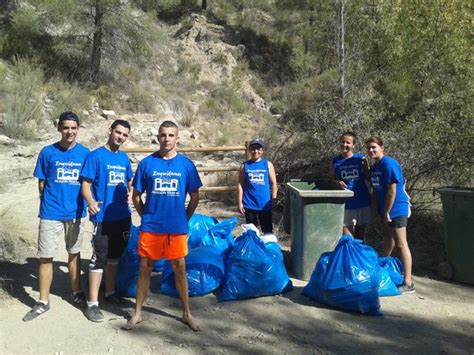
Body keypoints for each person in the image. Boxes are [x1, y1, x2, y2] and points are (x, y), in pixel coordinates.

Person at [125, 120, 202, 332]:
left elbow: (195, 196)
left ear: (177, 138)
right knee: (145, 269)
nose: (166, 139)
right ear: (158, 137)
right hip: (151, 226)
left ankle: (187, 313)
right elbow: (136, 195)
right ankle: (137, 313)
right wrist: (146, 215)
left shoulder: (186, 165)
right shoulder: (147, 164)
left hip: (176, 227)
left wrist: (184, 218)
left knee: (179, 269)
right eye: (163, 135)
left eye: (170, 135)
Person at [23, 111, 90, 322]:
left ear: (78, 129)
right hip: (51, 212)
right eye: (66, 127)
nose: (70, 132)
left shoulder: (85, 154)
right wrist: (48, 202)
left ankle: (77, 293)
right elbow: (41, 182)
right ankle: (43, 301)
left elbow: (89, 183)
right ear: (59, 128)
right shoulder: (47, 152)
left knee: (74, 252)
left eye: (73, 128)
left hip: (76, 212)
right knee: (46, 255)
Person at [80, 119, 133, 322]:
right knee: (98, 258)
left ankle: (110, 293)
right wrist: (91, 202)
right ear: (110, 131)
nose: (120, 137)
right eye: (118, 132)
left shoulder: (124, 158)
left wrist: (130, 192)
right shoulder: (95, 156)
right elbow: (85, 184)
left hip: (122, 216)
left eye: (124, 135)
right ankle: (92, 303)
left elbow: (129, 181)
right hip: (102, 218)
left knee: (114, 258)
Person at [365, 136, 415, 294]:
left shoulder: (389, 163)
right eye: (369, 148)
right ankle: (381, 268)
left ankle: (408, 282)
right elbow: (375, 190)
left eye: (374, 147)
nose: (371, 150)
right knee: (388, 240)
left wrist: (386, 212)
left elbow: (392, 191)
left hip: (397, 209)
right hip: (384, 210)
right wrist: (377, 211)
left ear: (382, 147)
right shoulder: (375, 167)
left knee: (401, 244)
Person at [330, 132, 372, 240]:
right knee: (348, 238)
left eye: (348, 143)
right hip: (346, 203)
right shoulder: (335, 161)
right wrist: (337, 182)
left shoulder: (360, 159)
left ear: (353, 145)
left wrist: (366, 165)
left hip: (363, 201)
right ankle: (350, 256)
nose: (344, 144)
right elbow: (332, 178)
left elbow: (369, 178)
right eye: (342, 142)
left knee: (361, 237)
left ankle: (359, 256)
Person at [237, 138, 278, 235]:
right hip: (249, 203)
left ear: (262, 150)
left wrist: (273, 199)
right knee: (251, 231)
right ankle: (253, 249)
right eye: (253, 149)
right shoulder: (244, 166)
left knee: (267, 230)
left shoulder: (267, 164)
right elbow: (240, 185)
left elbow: (273, 183)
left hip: (264, 204)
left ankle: (268, 249)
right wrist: (239, 203)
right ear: (249, 150)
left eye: (258, 149)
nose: (256, 151)